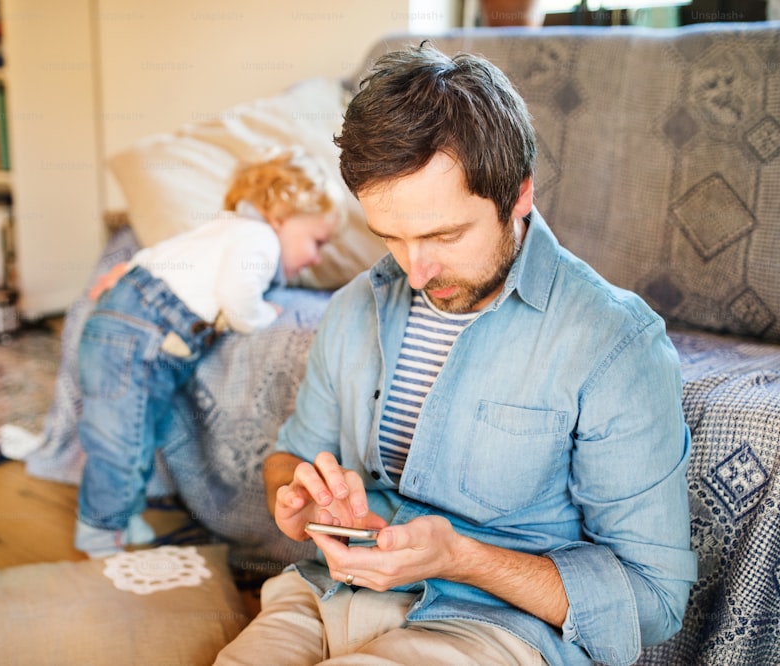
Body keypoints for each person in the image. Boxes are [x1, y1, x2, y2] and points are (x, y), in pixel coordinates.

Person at [215, 44, 697, 666]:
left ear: (519, 195)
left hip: (492, 626)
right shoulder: (357, 307)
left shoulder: (613, 343)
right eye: (391, 237)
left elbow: (653, 599)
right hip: (325, 594)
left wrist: (459, 557)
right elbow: (292, 458)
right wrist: (300, 501)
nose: (415, 273)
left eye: (444, 235)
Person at [75, 148, 338, 558]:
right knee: (120, 442)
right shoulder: (259, 239)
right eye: (317, 241)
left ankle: (121, 517)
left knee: (136, 433)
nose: (315, 259)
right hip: (137, 338)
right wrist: (265, 312)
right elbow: (238, 301)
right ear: (283, 217)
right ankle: (97, 530)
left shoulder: (225, 228)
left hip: (133, 330)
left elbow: (158, 257)